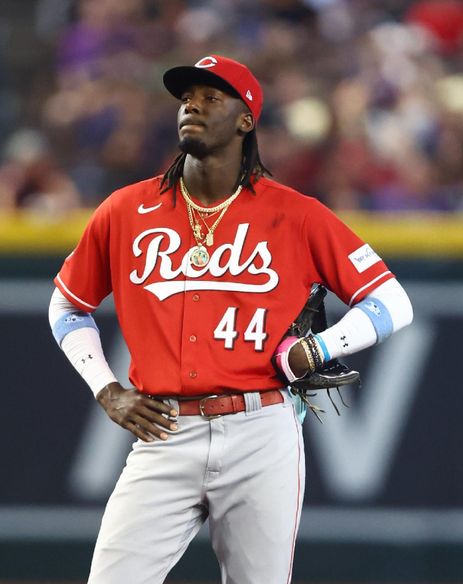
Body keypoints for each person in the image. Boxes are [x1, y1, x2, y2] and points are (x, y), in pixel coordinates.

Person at [48, 55, 413, 584]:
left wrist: (323, 347)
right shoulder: (126, 211)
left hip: (259, 428)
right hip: (165, 430)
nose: (192, 104)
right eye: (186, 97)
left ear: (246, 120)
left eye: (211, 96)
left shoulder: (297, 214)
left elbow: (391, 301)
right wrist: (106, 389)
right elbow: (67, 305)